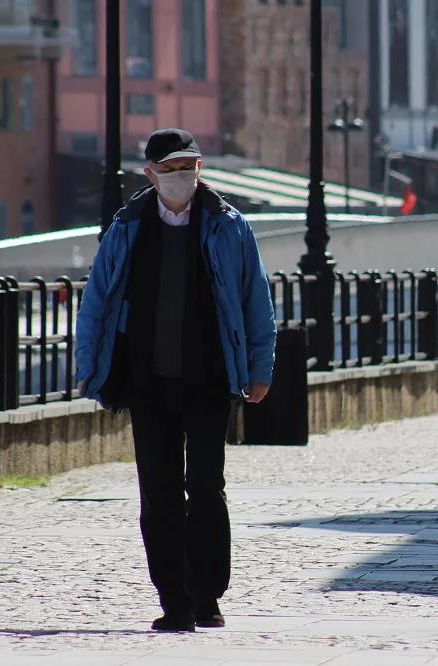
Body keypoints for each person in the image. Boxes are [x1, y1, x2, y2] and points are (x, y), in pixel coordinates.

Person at [74, 129, 277, 632]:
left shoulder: (229, 226)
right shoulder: (126, 228)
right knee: (158, 494)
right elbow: (95, 302)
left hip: (211, 379)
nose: (180, 176)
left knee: (207, 487)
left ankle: (207, 595)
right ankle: (174, 600)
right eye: (169, 168)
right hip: (147, 380)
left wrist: (260, 369)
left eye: (188, 166)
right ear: (150, 175)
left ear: (200, 168)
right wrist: (89, 368)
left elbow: (256, 301)